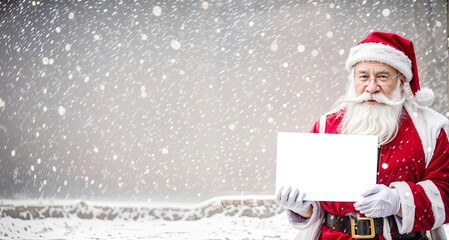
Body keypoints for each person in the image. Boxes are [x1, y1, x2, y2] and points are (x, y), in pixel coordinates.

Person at [275, 31, 449, 240]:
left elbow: (445, 194)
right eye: (363, 76)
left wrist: (399, 200)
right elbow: (317, 205)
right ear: (354, 79)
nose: (371, 87)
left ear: (401, 81)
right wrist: (302, 207)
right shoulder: (326, 126)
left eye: (383, 77)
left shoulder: (430, 129)